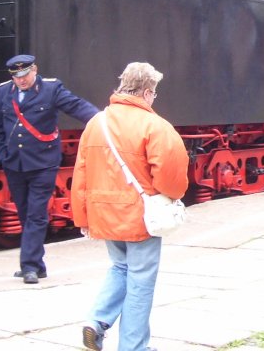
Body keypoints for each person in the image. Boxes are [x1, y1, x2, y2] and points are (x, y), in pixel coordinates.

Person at [72, 62, 189, 351]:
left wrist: (82, 216)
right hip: (140, 218)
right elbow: (171, 181)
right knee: (140, 282)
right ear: (148, 92)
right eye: (154, 94)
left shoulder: (95, 123)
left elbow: (81, 173)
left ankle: (97, 321)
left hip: (105, 214)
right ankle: (134, 347)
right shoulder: (155, 126)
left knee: (120, 267)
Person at [0, 54, 98, 284]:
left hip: (43, 163)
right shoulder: (3, 91)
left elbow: (76, 106)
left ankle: (29, 266)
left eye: (25, 74)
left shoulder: (51, 88)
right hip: (15, 163)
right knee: (24, 212)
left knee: (36, 214)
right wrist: (3, 154)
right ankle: (38, 264)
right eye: (16, 76)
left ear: (34, 70)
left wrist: (102, 120)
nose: (21, 80)